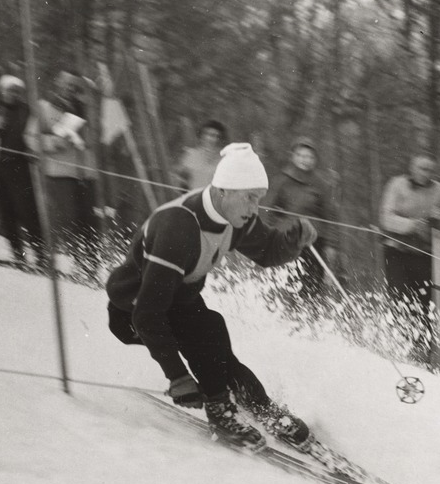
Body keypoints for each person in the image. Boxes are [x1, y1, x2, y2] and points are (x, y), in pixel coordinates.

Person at [106, 143, 318, 448]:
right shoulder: (178, 226)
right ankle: (220, 409)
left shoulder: (234, 217)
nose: (254, 208)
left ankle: (263, 408)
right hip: (132, 311)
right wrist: (177, 377)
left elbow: (268, 250)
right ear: (222, 190)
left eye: (257, 199)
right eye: (249, 198)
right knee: (206, 337)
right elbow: (148, 315)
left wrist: (293, 238)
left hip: (177, 300)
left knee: (213, 333)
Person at [28, 71, 97, 275]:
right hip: (59, 172)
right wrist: (52, 142)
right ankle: (74, 263)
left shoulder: (86, 110)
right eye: (66, 83)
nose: (69, 88)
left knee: (89, 221)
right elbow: (30, 137)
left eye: (74, 85)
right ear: (57, 82)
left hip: (86, 172)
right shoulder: (44, 106)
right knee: (69, 219)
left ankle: (90, 267)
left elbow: (96, 139)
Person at [264, 136, 341, 307]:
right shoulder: (281, 180)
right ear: (293, 156)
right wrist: (271, 234)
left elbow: (331, 216)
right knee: (286, 284)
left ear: (315, 160)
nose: (305, 160)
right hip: (287, 240)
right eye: (301, 155)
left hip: (314, 243)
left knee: (311, 288)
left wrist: (332, 245)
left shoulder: (321, 184)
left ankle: (308, 321)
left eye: (309, 157)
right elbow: (269, 211)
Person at [0, 75, 47, 269]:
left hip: (20, 166)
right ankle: (18, 252)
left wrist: (32, 149)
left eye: (17, 91)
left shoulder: (25, 110)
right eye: (9, 90)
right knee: (7, 211)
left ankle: (41, 254)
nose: (13, 94)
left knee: (27, 211)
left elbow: (33, 135)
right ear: (2, 91)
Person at [378, 154, 440, 304]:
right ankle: (398, 325)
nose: (425, 173)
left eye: (429, 170)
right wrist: (412, 225)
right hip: (397, 250)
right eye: (422, 168)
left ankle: (422, 326)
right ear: (412, 168)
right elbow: (386, 219)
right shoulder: (397, 185)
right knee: (399, 298)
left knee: (424, 300)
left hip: (425, 253)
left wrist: (438, 220)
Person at [174, 119, 227, 191]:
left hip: (216, 199)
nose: (213, 139)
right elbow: (179, 180)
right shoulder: (190, 155)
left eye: (217, 136)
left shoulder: (225, 158)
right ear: (202, 136)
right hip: (194, 198)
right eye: (210, 135)